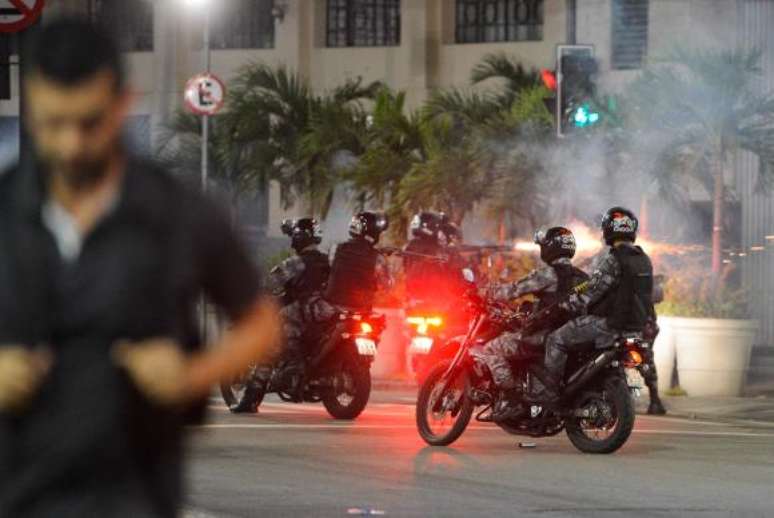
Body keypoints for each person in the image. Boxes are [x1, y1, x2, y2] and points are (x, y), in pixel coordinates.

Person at [0, 18, 280, 518]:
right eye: (52, 124)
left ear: (121, 104)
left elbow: (261, 324)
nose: (70, 144)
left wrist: (193, 375)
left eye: (89, 122)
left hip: (136, 497)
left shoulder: (182, 213)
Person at [535, 207, 657, 405]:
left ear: (609, 229)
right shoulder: (644, 259)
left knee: (555, 339)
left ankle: (549, 395)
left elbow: (593, 290)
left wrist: (567, 304)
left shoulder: (614, 259)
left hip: (609, 323)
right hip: (636, 326)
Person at [475, 227, 588, 420]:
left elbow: (513, 290)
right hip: (573, 337)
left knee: (490, 349)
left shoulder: (548, 274)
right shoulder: (582, 277)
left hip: (541, 336)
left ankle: (510, 400)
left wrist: (484, 292)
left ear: (550, 248)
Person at [230, 218, 330, 413]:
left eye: (295, 236)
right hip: (321, 317)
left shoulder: (296, 262)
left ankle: (250, 401)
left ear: (301, 237)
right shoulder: (327, 261)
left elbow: (269, 282)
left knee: (267, 352)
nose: (293, 239)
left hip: (298, 316)